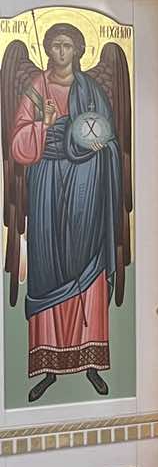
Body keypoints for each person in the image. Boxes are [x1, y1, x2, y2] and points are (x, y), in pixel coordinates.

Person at [2, 25, 130, 402]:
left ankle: (92, 363)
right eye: (55, 45)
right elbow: (17, 146)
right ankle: (48, 367)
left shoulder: (92, 90)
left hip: (88, 188)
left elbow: (110, 140)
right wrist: (44, 125)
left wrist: (98, 146)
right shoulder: (35, 88)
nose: (61, 52)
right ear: (47, 49)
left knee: (88, 267)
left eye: (68, 46)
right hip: (46, 187)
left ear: (78, 50)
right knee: (46, 269)